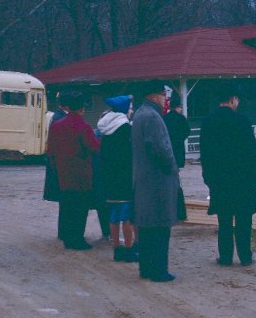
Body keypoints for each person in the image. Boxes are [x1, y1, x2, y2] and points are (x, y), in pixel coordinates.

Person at [199, 84, 256, 267]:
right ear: (233, 99)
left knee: (224, 221)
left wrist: (209, 178)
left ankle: (225, 257)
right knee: (244, 220)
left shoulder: (208, 122)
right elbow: (252, 151)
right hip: (243, 180)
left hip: (220, 180)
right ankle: (245, 256)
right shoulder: (242, 121)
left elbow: (205, 154)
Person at [130, 80, 180, 282]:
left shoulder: (139, 114)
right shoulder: (153, 117)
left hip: (143, 179)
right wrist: (172, 168)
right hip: (158, 181)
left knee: (147, 227)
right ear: (153, 96)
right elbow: (161, 149)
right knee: (160, 227)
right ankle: (159, 270)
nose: (164, 99)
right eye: (162, 95)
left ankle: (146, 267)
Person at [47, 91, 100, 250]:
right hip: (81, 174)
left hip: (63, 172)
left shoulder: (56, 125)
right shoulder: (84, 126)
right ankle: (77, 239)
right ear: (82, 109)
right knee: (80, 208)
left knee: (67, 205)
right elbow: (93, 147)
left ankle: (67, 236)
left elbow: (51, 151)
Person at [97, 95, 137, 262]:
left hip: (109, 177)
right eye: (130, 107)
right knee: (127, 216)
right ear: (124, 110)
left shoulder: (105, 129)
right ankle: (128, 249)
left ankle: (116, 249)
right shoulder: (126, 129)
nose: (132, 110)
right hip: (125, 177)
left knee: (113, 215)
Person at [43, 92, 70, 239]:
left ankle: (63, 232)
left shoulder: (57, 116)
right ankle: (64, 233)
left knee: (64, 203)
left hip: (56, 164)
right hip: (62, 166)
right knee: (66, 203)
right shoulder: (61, 118)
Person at [163, 92, 191, 221]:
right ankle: (179, 211)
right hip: (178, 151)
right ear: (178, 107)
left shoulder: (164, 118)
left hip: (167, 151)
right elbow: (187, 131)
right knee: (176, 180)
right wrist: (179, 139)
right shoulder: (181, 119)